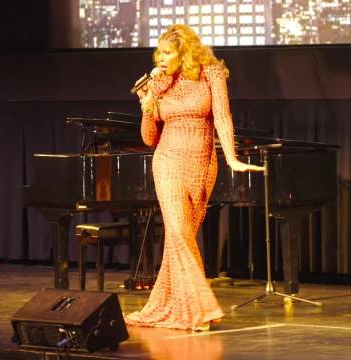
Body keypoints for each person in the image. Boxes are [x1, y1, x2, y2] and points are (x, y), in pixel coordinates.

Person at [126, 24, 264, 331]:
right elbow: (149, 139)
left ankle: (177, 307)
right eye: (158, 53)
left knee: (185, 236)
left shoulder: (211, 73)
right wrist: (147, 107)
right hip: (167, 161)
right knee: (176, 231)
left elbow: (223, 117)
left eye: (166, 52)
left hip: (202, 164)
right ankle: (200, 309)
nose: (160, 59)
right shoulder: (159, 84)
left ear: (183, 52)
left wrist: (232, 158)